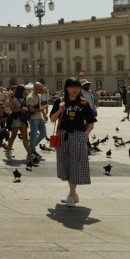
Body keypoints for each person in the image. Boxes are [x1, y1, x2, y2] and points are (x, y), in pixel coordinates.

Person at [49, 78, 97, 207]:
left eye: (77, 87)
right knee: (65, 162)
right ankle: (74, 195)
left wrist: (86, 134)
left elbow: (91, 121)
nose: (75, 89)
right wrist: (60, 109)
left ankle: (72, 194)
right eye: (72, 87)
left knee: (75, 163)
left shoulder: (84, 103)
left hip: (78, 135)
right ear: (66, 88)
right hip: (63, 135)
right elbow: (52, 119)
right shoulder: (60, 101)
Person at [5, 85, 34, 162]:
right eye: (24, 90)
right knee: (13, 136)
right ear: (20, 91)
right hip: (16, 119)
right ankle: (8, 150)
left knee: (25, 137)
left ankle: (29, 153)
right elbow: (13, 110)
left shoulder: (23, 98)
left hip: (22, 118)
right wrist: (22, 109)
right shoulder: (14, 99)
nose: (25, 92)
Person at [27, 82, 48, 157]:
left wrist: (45, 115)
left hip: (39, 118)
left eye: (42, 89)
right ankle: (32, 150)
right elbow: (31, 109)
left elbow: (42, 107)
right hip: (33, 119)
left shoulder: (39, 96)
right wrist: (39, 110)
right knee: (33, 135)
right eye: (40, 89)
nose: (41, 90)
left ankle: (31, 148)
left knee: (43, 133)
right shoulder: (30, 97)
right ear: (35, 88)